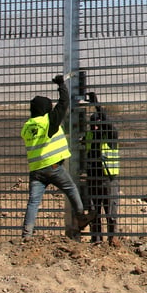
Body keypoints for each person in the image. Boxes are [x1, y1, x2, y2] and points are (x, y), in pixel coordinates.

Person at [20, 73, 92, 239]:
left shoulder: (27, 127)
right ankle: (81, 217)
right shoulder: (48, 123)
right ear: (45, 110)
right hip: (52, 167)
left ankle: (26, 235)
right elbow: (64, 103)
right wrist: (61, 84)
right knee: (71, 188)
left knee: (33, 202)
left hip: (36, 170)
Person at [81, 93, 121, 245]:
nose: (96, 126)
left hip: (108, 178)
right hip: (93, 178)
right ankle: (96, 240)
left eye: (98, 123)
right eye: (93, 123)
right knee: (94, 212)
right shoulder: (90, 135)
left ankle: (113, 239)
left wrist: (97, 104)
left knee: (111, 211)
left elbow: (106, 122)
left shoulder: (110, 135)